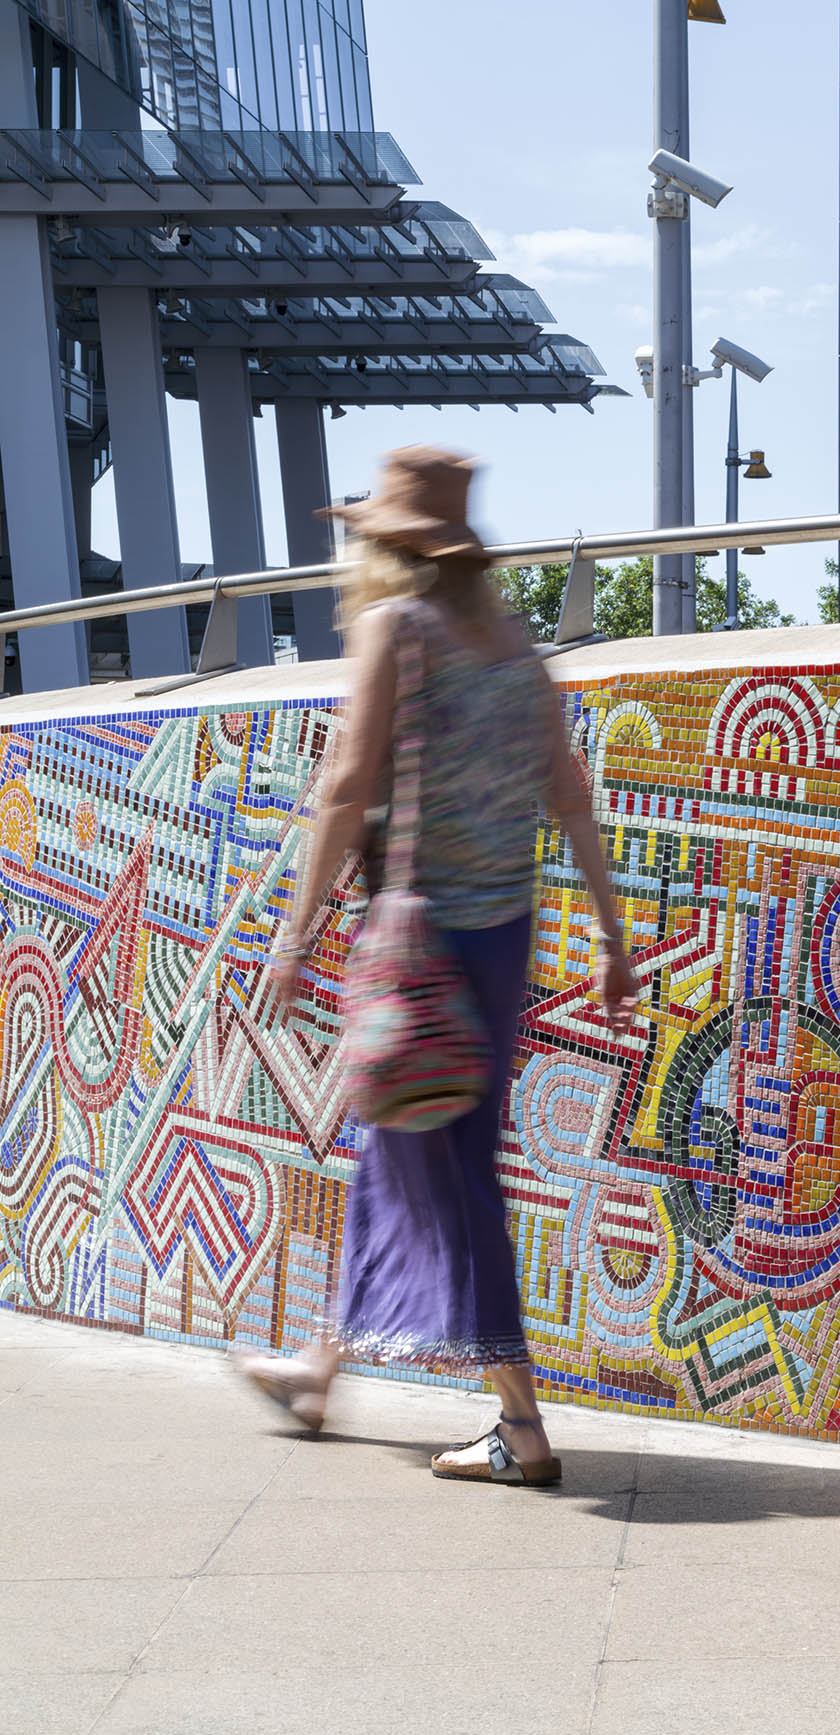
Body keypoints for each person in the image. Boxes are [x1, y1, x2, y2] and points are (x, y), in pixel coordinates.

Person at [234, 446, 640, 1486]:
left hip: (419, 948)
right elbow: (570, 793)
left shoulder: (393, 629)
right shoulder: (516, 647)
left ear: (384, 546)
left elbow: (343, 786)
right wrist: (606, 934)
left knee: (448, 1171)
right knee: (395, 1143)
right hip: (501, 940)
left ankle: (521, 1426)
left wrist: (293, 936)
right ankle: (321, 1372)